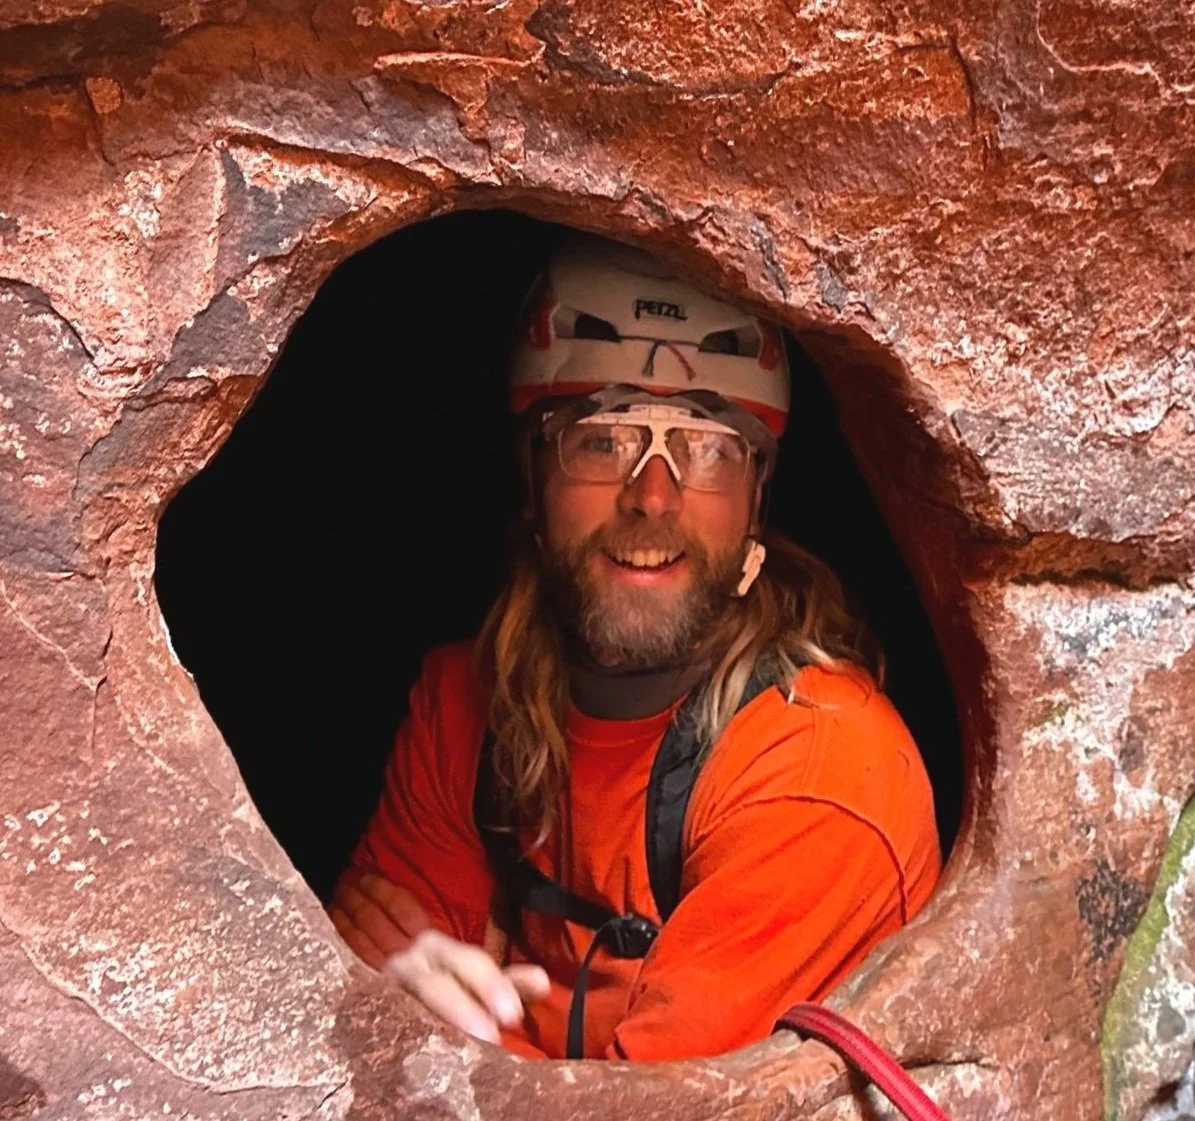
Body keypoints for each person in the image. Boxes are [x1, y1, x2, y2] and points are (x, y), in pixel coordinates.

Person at [328, 234, 941, 1061]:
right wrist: (375, 1000)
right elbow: (353, 998)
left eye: (706, 448)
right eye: (602, 439)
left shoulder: (823, 776)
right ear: (533, 480)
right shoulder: (461, 704)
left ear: (756, 501)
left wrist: (438, 1030)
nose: (652, 496)